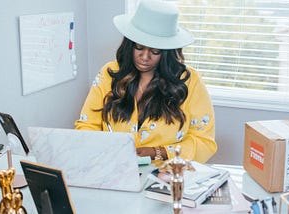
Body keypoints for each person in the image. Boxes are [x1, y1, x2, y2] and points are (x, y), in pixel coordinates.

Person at [75, 0, 217, 163]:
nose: (144, 57)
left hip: (166, 175)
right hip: (112, 167)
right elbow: (86, 126)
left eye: (155, 51)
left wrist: (159, 152)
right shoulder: (110, 74)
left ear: (167, 52)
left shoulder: (189, 81)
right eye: (139, 47)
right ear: (130, 45)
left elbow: (204, 142)